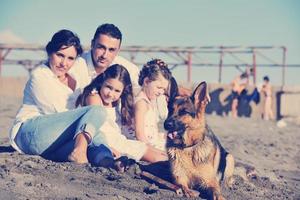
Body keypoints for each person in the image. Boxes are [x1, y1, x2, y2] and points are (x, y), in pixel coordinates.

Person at [9, 29, 107, 164]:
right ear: (50, 52)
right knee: (96, 111)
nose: (64, 63)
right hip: (31, 135)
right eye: (60, 55)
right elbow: (60, 112)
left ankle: (108, 161)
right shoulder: (40, 76)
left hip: (54, 142)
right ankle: (82, 151)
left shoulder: (76, 76)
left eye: (70, 58)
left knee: (94, 138)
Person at [72, 23, 191, 124]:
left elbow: (147, 81)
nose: (105, 55)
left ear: (118, 50)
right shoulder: (76, 66)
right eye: (101, 47)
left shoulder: (124, 67)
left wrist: (180, 90)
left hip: (114, 129)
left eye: (111, 50)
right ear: (92, 44)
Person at [77, 64, 168, 163]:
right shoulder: (94, 98)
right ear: (102, 82)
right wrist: (108, 147)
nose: (111, 94)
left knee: (161, 153)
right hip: (105, 142)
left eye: (117, 91)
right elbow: (94, 127)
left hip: (119, 140)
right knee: (157, 158)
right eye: (108, 87)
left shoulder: (116, 103)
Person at [134, 59, 172, 151]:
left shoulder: (149, 101)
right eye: (159, 87)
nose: (161, 92)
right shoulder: (141, 103)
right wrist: (153, 150)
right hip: (144, 145)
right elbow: (139, 134)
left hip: (151, 142)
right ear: (146, 82)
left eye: (163, 89)